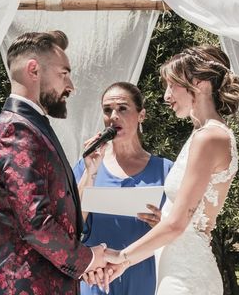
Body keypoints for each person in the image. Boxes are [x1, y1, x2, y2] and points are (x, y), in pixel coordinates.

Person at [90, 45, 239, 295]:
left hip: (186, 278)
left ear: (200, 83)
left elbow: (176, 225)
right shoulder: (202, 135)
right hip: (176, 267)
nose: (166, 96)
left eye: (173, 85)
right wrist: (124, 264)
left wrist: (121, 255)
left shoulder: (209, 137)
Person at [0, 30, 108, 295]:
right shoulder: (16, 131)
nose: (70, 86)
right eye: (64, 73)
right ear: (34, 70)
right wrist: (88, 259)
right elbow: (36, 223)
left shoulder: (31, 126)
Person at [73, 82, 174, 295]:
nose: (113, 115)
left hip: (143, 278)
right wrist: (90, 172)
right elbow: (72, 223)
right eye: (107, 110)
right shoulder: (86, 166)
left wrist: (162, 223)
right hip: (95, 278)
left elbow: (179, 229)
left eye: (122, 108)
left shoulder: (166, 171)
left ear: (142, 115)